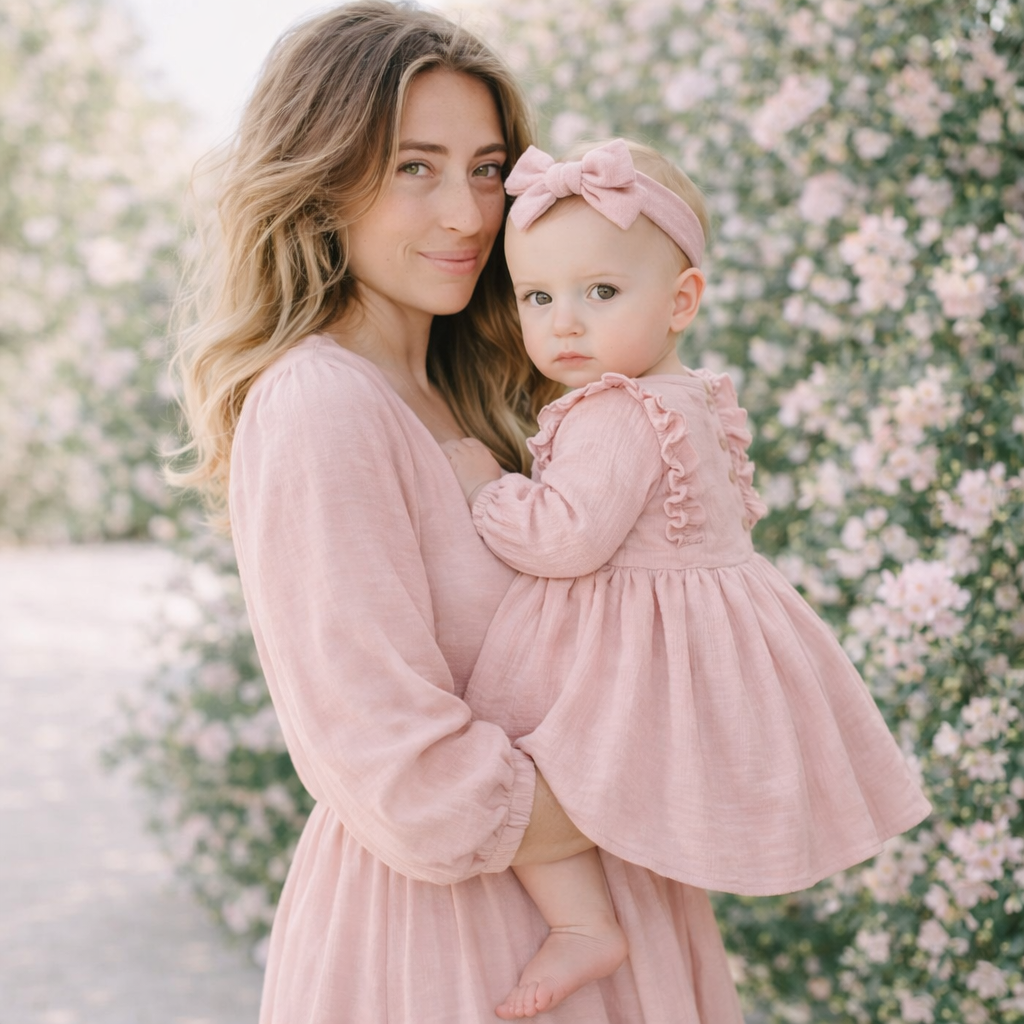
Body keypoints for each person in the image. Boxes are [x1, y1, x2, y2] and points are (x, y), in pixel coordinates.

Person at [172, 3, 746, 1022]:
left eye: (487, 169)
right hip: (459, 941)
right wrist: (655, 782)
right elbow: (398, 760)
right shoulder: (320, 403)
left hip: (610, 896)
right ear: (320, 179)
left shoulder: (483, 389)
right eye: (414, 167)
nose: (469, 214)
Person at [443, 138, 933, 1019]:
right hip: (681, 631)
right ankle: (599, 921)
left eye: (601, 293)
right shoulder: (684, 396)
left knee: (511, 760)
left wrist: (489, 490)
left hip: (627, 646)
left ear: (681, 301)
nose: (565, 323)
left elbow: (566, 539)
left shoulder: (620, 411)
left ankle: (583, 923)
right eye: (539, 296)